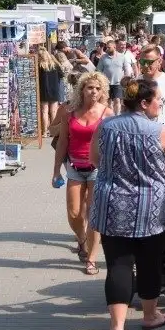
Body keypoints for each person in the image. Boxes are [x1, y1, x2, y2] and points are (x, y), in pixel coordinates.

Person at [89, 77, 165, 330]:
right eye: (158, 101)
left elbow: (95, 160)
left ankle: (116, 329)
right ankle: (150, 316)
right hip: (150, 209)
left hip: (112, 206)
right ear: (144, 103)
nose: (160, 105)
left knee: (118, 265)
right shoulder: (161, 132)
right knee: (149, 263)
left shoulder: (105, 126)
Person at [52, 72, 113, 276]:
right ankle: (82, 239)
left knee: (93, 214)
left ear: (102, 91)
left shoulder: (108, 114)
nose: (93, 92)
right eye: (90, 88)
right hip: (74, 168)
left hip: (98, 170)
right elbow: (62, 142)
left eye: (97, 88)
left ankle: (91, 259)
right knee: (74, 213)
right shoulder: (70, 113)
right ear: (82, 90)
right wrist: (56, 171)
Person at [96, 38, 133, 116]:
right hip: (106, 83)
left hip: (118, 83)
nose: (107, 49)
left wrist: (126, 80)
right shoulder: (103, 57)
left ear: (114, 47)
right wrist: (99, 80)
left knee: (117, 100)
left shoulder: (122, 57)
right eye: (106, 47)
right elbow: (98, 70)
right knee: (108, 101)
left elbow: (127, 69)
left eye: (109, 47)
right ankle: (110, 116)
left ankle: (117, 115)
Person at [38, 50, 63, 137]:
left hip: (43, 90)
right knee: (54, 111)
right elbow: (61, 75)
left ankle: (45, 132)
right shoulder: (55, 65)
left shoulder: (40, 66)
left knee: (44, 111)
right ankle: (53, 131)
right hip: (54, 90)